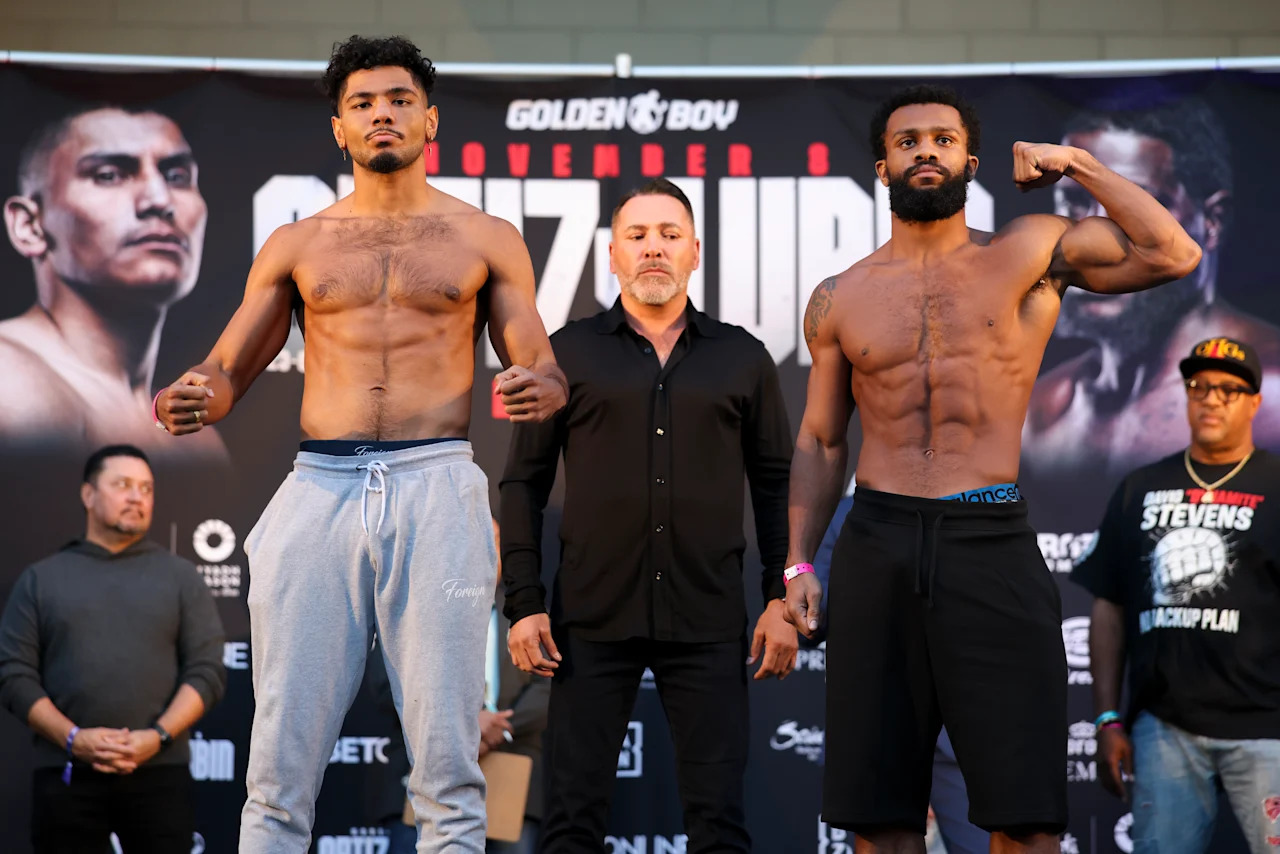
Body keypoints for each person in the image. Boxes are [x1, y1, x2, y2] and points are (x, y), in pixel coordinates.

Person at [153, 35, 567, 854]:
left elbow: (540, 361)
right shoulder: (297, 244)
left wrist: (544, 385)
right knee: (277, 763)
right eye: (364, 103)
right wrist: (197, 391)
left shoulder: (485, 237)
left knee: (448, 765)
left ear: (430, 120)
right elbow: (231, 362)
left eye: (400, 100)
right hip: (321, 484)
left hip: (436, 480)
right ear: (339, 129)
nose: (383, 114)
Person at [782, 84, 1202, 854]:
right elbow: (819, 443)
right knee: (879, 820)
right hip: (877, 542)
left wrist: (1077, 163)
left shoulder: (1030, 250)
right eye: (908, 142)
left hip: (989, 539)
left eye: (943, 140)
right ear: (883, 167)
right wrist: (799, 562)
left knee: (1027, 817)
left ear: (970, 161)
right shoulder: (839, 298)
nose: (926, 152)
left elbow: (1173, 253)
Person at [500, 177, 797, 854]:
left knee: (718, 823)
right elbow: (523, 482)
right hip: (591, 618)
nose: (653, 249)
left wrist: (779, 598)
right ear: (612, 255)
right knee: (571, 820)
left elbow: (777, 486)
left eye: (669, 235)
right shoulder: (565, 354)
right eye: (637, 236)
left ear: (695, 251)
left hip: (709, 619)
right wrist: (523, 602)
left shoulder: (742, 358)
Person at [1071, 336, 1280, 854]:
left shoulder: (1277, 486)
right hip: (1164, 728)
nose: (1210, 399)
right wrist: (1105, 718)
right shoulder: (1140, 487)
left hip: (1267, 728)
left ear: (1255, 401)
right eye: (1198, 386)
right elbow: (1108, 605)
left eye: (1228, 390)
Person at [1024, 96, 1280, 478]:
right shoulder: (1039, 413)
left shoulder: (1271, 395)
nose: (1095, 237)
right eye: (1076, 202)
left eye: (1133, 206)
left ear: (1212, 221)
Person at [0, 444, 227, 854]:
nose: (137, 497)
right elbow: (14, 676)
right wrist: (73, 738)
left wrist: (156, 737)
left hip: (160, 775)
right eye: (123, 485)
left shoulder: (181, 578)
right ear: (88, 495)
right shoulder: (41, 580)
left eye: (146, 488)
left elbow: (208, 671)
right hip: (67, 775)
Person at [0, 107, 226, 462]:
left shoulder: (198, 443)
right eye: (108, 175)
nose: (159, 200)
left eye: (177, 175)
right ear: (29, 225)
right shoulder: (9, 379)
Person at [813, 494, 990, 854]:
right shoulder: (851, 512)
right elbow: (814, 615)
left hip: (963, 733)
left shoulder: (982, 500)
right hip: (883, 723)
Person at [366, 518, 550, 854]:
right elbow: (385, 683)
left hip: (512, 769)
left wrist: (496, 729)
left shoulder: (527, 618)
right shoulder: (410, 611)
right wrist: (462, 726)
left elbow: (548, 687)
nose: (487, 550)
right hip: (425, 768)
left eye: (495, 540)